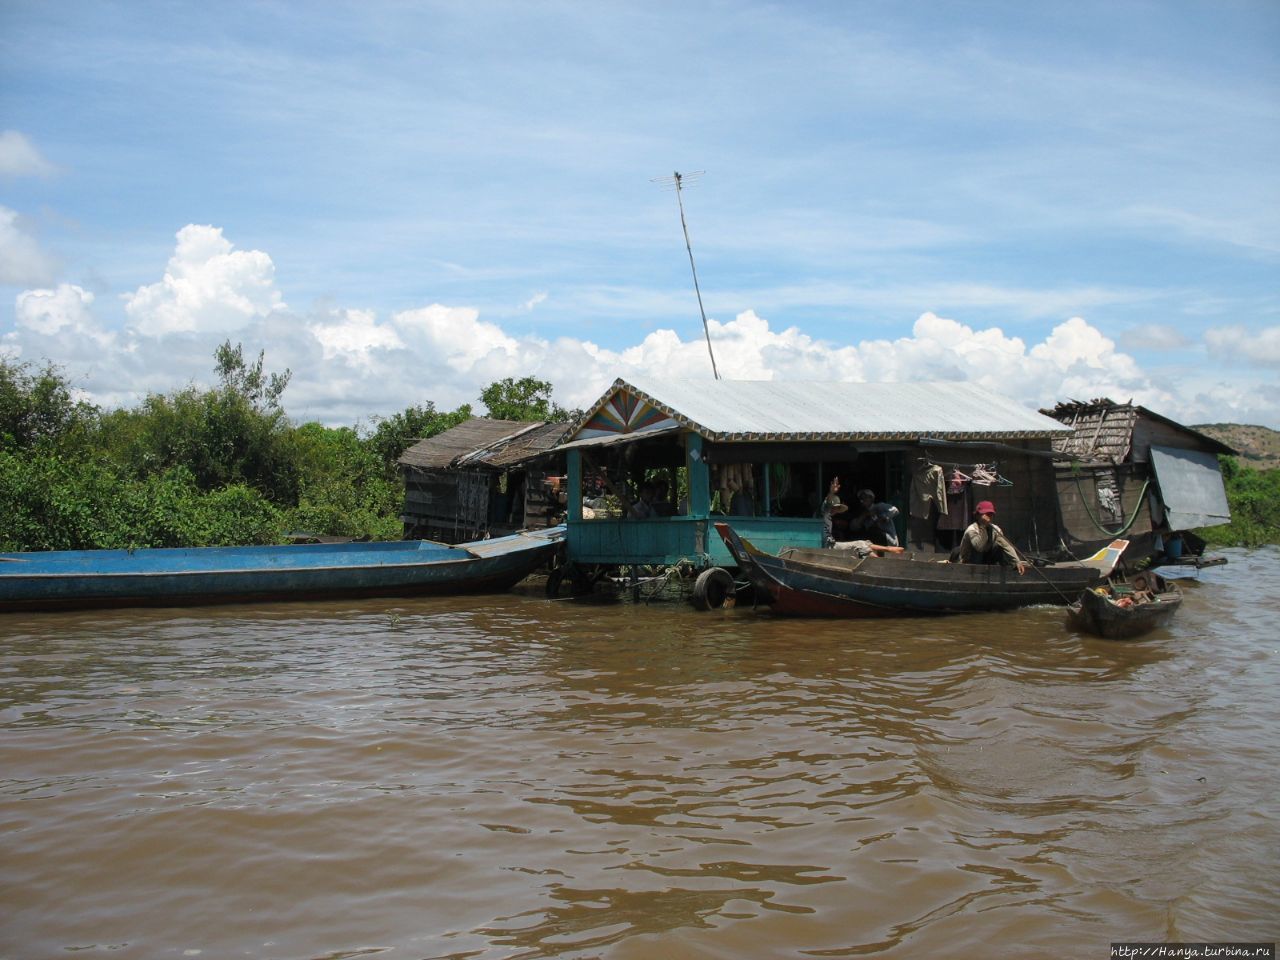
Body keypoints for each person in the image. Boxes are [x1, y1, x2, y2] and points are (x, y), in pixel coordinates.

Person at [956, 500, 1027, 574]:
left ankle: (1006, 571)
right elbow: (979, 547)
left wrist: (1017, 561)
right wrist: (983, 526)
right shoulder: (972, 529)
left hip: (986, 560)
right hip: (971, 562)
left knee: (999, 547)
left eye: (990, 514)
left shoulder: (995, 529)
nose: (988, 517)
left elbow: (1006, 545)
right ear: (977, 516)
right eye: (985, 514)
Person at [819, 477, 847, 546]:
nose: (834, 509)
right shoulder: (824, 513)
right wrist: (832, 492)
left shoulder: (832, 519)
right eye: (832, 507)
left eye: (836, 508)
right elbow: (828, 500)